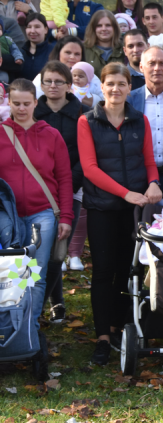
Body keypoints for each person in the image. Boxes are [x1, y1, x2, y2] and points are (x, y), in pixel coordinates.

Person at [78, 62, 162, 364]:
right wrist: (125, 192)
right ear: (101, 87)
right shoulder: (87, 121)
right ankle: (102, 337)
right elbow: (90, 168)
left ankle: (117, 327)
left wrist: (154, 182)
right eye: (110, 83)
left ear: (129, 87)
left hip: (133, 210)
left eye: (121, 84)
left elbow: (149, 160)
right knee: (103, 270)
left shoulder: (140, 120)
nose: (115, 89)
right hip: (102, 207)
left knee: (127, 270)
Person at [0, 78, 73, 331]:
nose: (21, 109)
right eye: (16, 103)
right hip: (8, 215)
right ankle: (10, 327)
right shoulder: (1, 134)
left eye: (26, 103)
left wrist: (66, 217)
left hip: (42, 213)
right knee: (11, 272)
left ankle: (28, 330)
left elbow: (64, 178)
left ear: (35, 103)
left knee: (35, 274)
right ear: (8, 103)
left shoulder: (51, 135)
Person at [34, 61, 90, 322]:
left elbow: (85, 153)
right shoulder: (33, 112)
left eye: (59, 81)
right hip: (38, 189)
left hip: (72, 188)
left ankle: (39, 308)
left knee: (59, 249)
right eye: (48, 81)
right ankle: (55, 301)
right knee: (38, 250)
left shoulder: (83, 114)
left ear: (69, 85)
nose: (53, 86)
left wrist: (70, 183)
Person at [128, 46, 163, 196]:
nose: (157, 68)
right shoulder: (129, 100)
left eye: (162, 63)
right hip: (139, 175)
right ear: (141, 67)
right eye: (151, 63)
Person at [83, 10, 125, 76]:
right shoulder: (83, 49)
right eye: (99, 25)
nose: (104, 29)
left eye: (108, 25)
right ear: (93, 28)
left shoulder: (124, 49)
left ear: (114, 28)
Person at [19, 12, 55, 81]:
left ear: (46, 29)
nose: (32, 31)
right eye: (29, 27)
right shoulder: (20, 53)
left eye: (37, 27)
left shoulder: (54, 51)